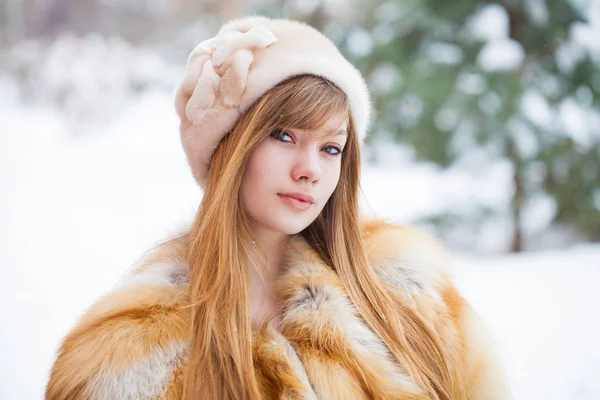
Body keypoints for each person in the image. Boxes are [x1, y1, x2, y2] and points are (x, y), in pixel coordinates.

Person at [46, 16, 506, 400]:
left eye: (331, 149)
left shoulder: (414, 303)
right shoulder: (124, 356)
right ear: (229, 147)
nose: (310, 170)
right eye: (284, 136)